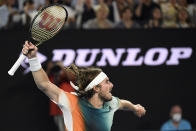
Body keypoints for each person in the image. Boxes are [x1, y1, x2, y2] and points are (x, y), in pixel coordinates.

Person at [22, 41, 146, 131]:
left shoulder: (111, 103)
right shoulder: (72, 102)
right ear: (96, 88)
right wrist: (33, 58)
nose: (112, 85)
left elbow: (123, 104)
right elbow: (44, 84)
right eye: (107, 82)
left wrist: (134, 107)